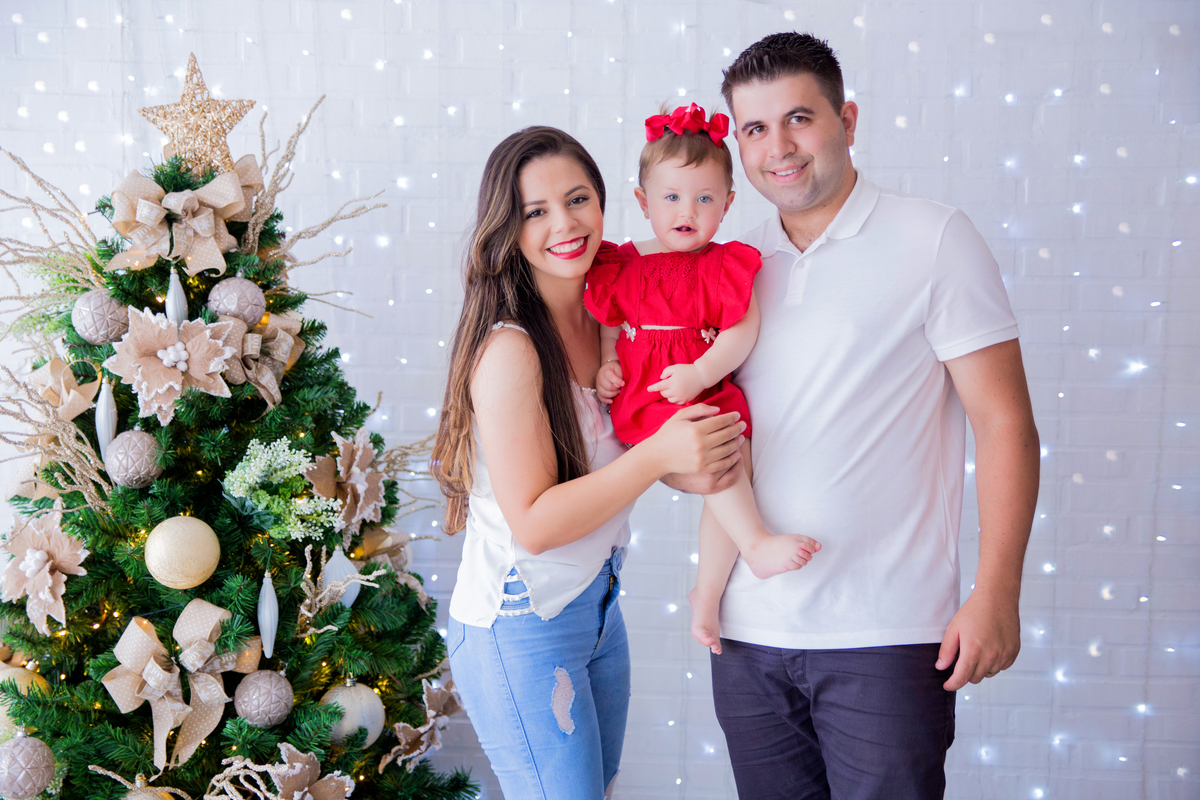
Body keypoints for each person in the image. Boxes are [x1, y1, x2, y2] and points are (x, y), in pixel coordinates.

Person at [665, 33, 1040, 798]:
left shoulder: (933, 239)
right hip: (747, 634)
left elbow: (1005, 424)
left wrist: (998, 591)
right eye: (756, 129)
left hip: (888, 635)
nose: (780, 147)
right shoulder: (730, 258)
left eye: (799, 118)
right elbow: (707, 424)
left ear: (849, 119)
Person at [430, 126, 746, 800]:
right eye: (535, 212)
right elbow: (536, 525)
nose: (565, 224)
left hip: (597, 605)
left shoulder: (620, 319)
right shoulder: (512, 350)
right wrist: (663, 452)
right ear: (507, 230)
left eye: (577, 199)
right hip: (522, 620)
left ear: (607, 202)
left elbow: (652, 457)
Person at [584, 102, 820, 656]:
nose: (687, 210)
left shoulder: (724, 263)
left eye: (704, 198)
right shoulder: (624, 262)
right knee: (723, 468)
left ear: (727, 204)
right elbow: (610, 323)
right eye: (671, 197)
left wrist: (701, 372)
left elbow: (741, 332)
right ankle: (756, 544)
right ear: (643, 202)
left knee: (734, 465)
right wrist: (607, 364)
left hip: (698, 389)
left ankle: (707, 593)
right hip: (648, 400)